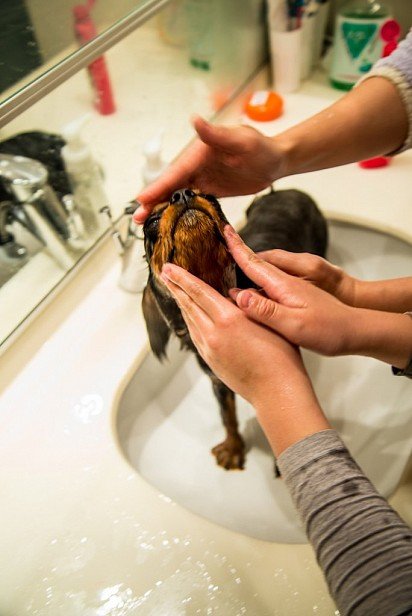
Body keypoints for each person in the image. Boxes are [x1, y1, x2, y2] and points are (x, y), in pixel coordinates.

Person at [134, 28, 412, 615]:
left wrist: (280, 391)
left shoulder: (263, 283)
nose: (183, 203)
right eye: (160, 221)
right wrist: (357, 297)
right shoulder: (172, 310)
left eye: (198, 202)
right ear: (155, 286)